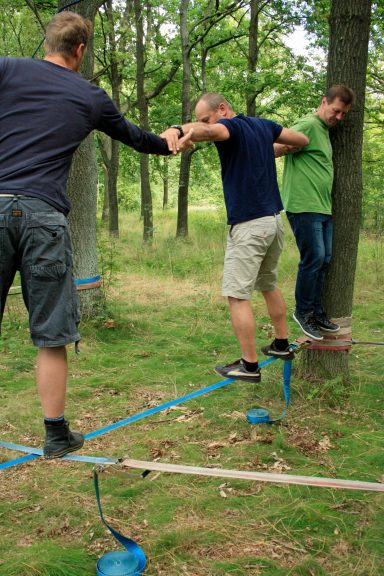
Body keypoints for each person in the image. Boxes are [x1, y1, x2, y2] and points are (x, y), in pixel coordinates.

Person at [0, 11, 191, 459]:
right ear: (81, 51)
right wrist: (174, 136)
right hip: (44, 217)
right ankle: (55, 436)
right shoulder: (91, 96)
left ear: (47, 41)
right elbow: (144, 141)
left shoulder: (8, 68)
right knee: (50, 336)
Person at [160, 93, 308, 381]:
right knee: (268, 283)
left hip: (250, 225)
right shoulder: (264, 126)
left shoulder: (232, 127)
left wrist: (179, 130)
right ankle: (280, 344)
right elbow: (300, 140)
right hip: (274, 221)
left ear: (223, 109)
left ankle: (249, 365)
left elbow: (212, 130)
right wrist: (276, 149)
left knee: (237, 296)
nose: (204, 124)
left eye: (206, 117)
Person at [275, 85, 354, 341]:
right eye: (336, 111)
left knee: (325, 259)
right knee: (314, 258)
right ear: (324, 102)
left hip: (322, 206)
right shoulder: (308, 124)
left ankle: (317, 312)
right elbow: (274, 147)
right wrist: (286, 148)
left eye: (343, 114)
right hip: (303, 205)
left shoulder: (323, 131)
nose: (338, 118)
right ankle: (303, 312)